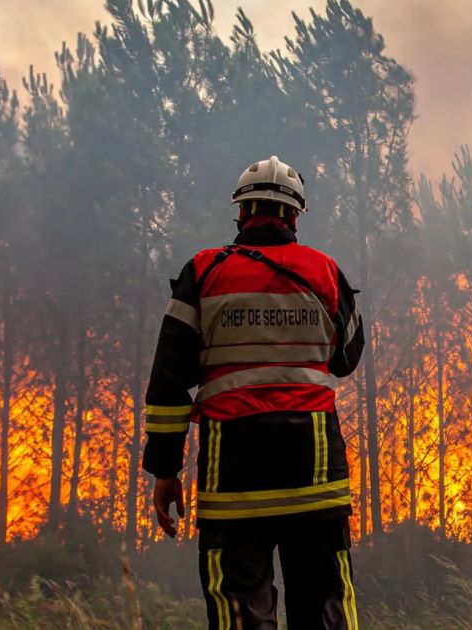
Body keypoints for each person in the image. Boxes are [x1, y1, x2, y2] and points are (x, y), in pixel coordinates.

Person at [142, 155, 365, 629]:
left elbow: (167, 384)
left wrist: (165, 468)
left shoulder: (201, 274)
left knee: (239, 609)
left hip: (234, 476)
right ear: (296, 216)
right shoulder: (325, 271)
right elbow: (347, 359)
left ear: (241, 213)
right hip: (316, 472)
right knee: (325, 603)